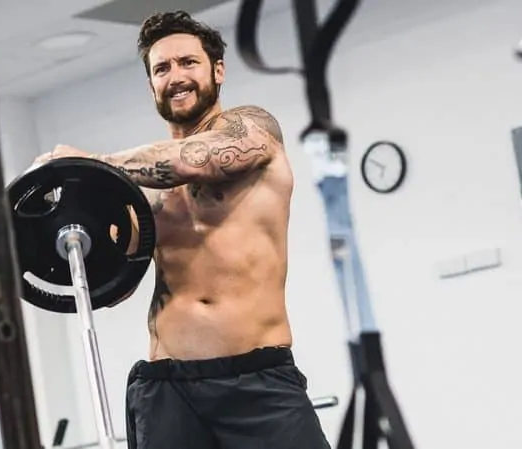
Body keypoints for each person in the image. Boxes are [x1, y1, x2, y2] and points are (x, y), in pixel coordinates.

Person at [32, 10, 331, 449]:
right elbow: (114, 285)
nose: (176, 77)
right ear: (151, 85)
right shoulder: (137, 190)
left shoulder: (253, 130)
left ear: (218, 70)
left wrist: (91, 165)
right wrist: (61, 216)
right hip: (168, 388)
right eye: (162, 68)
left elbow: (195, 160)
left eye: (188, 62)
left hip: (257, 383)